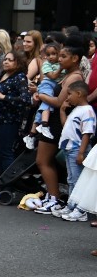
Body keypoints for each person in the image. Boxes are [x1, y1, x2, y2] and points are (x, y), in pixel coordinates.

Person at [30, 41, 84, 215]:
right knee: (44, 160)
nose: (59, 60)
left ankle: (54, 198)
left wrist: (41, 95)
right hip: (54, 120)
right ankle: (52, 196)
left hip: (56, 122)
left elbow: (60, 102)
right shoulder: (67, 75)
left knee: (43, 160)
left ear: (75, 58)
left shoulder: (75, 77)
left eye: (63, 56)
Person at [0, 51, 30, 183]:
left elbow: (25, 99)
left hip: (10, 120)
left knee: (6, 152)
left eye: (10, 60)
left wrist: (4, 97)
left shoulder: (20, 77)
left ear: (18, 63)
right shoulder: (3, 75)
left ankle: (8, 184)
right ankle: (1, 183)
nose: (5, 62)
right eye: (5, 59)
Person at [53, 82, 96, 222]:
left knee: (77, 180)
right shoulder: (77, 110)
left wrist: (81, 153)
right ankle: (72, 205)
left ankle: (80, 209)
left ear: (79, 94)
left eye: (70, 94)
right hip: (70, 148)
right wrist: (62, 111)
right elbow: (67, 127)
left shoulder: (87, 111)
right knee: (71, 179)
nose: (68, 97)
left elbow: (87, 133)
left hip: (77, 149)